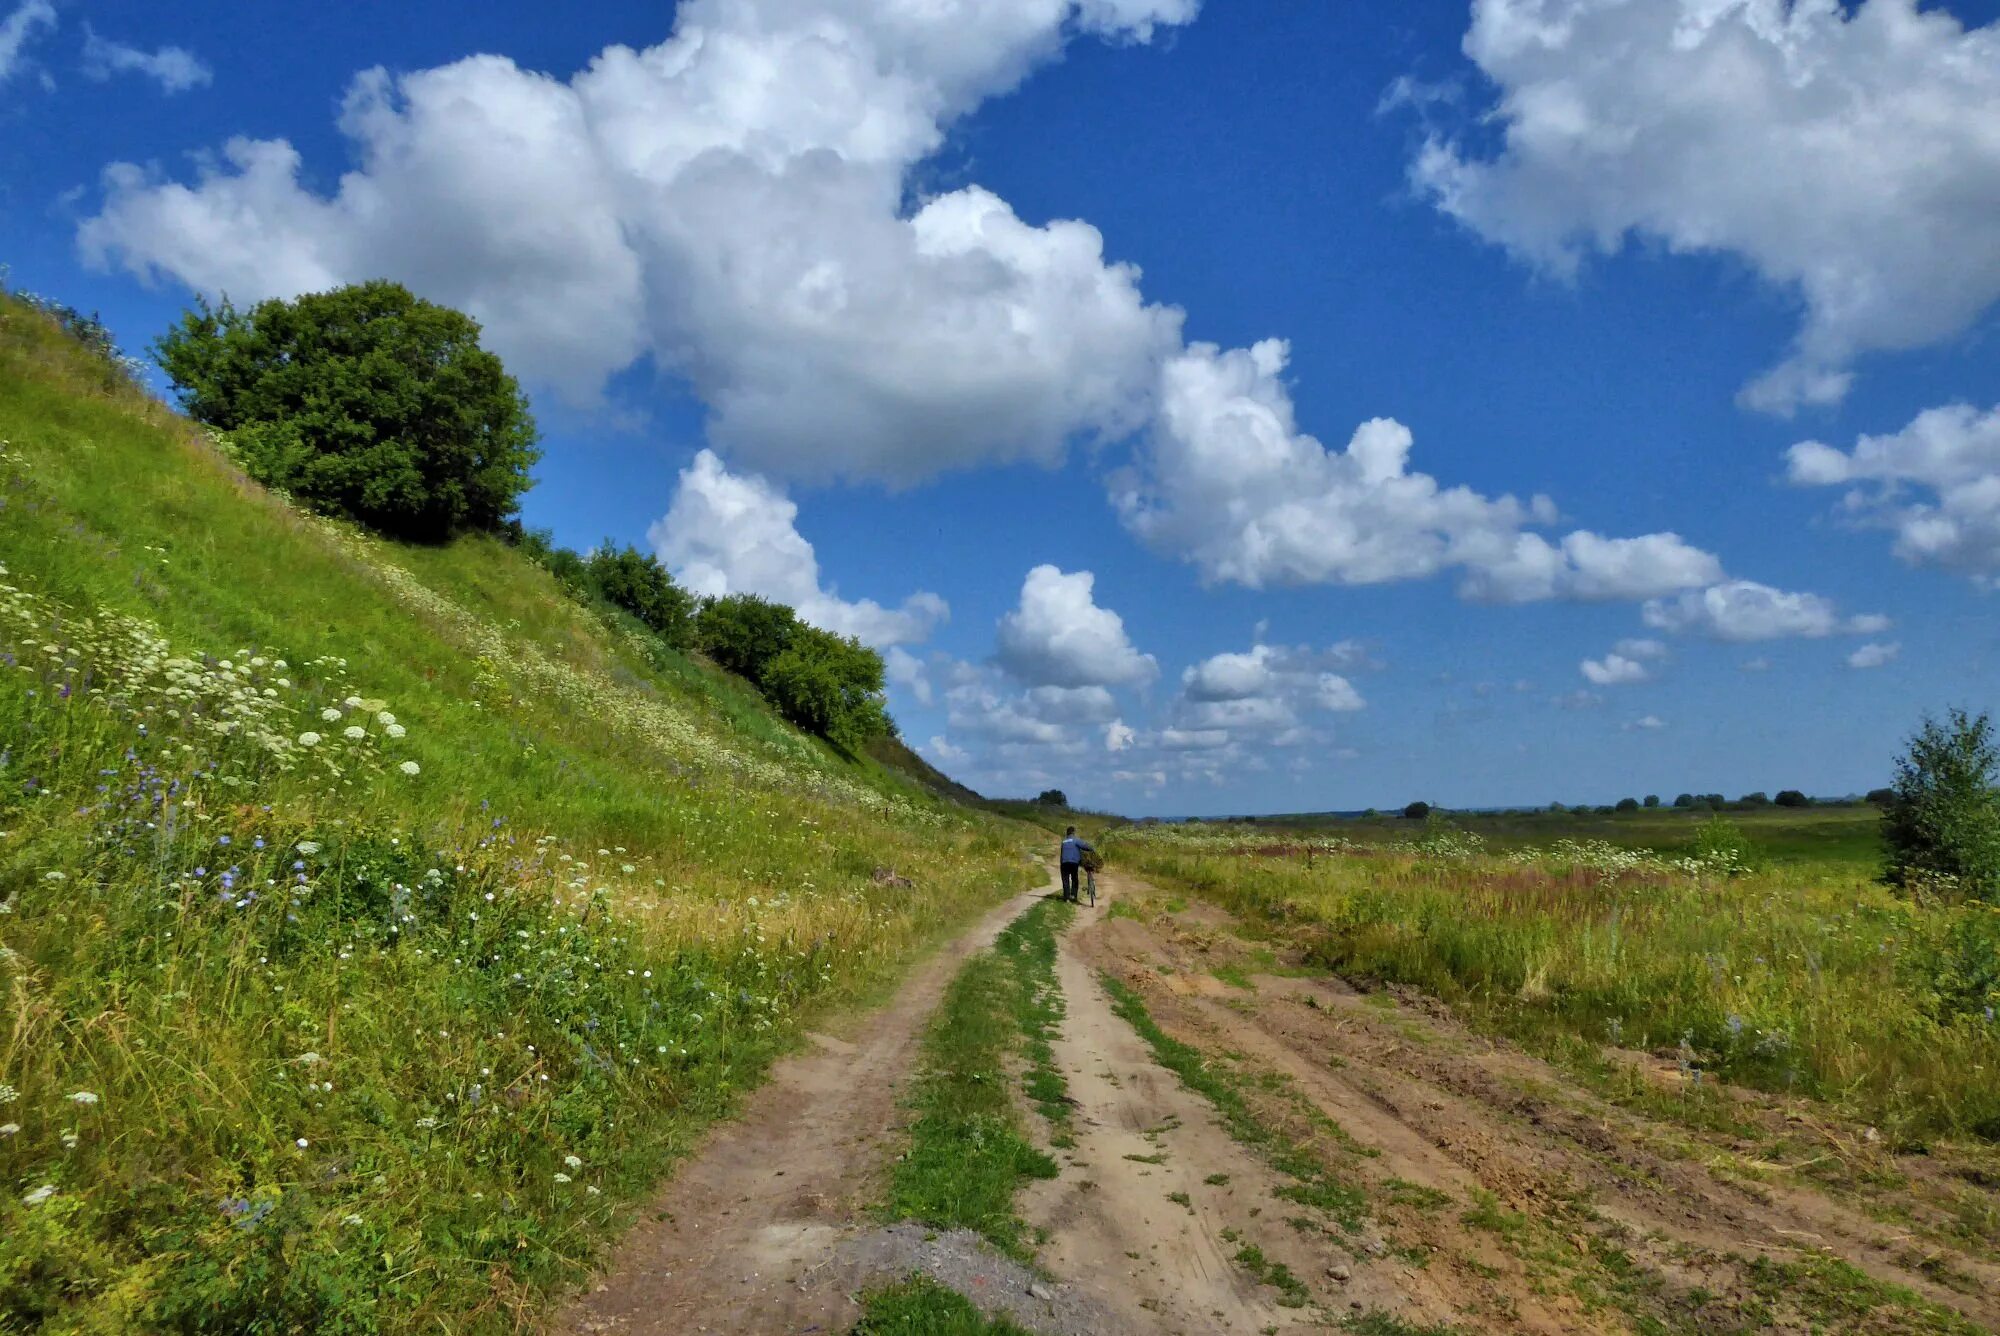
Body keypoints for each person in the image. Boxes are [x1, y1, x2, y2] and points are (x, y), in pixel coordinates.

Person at [1059, 826, 1094, 903]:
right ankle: (1074, 895)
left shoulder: (1063, 841)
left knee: (1065, 880)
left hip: (1064, 863)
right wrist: (1092, 849)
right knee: (1074, 878)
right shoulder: (1076, 840)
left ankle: (1066, 898)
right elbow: (1085, 846)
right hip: (1074, 862)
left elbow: (1062, 854)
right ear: (1073, 832)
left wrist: (1061, 863)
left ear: (1067, 833)